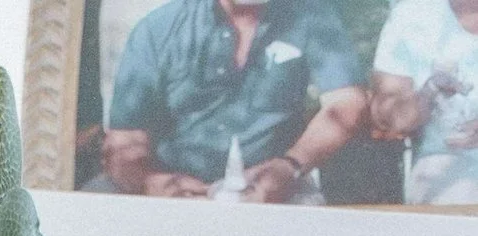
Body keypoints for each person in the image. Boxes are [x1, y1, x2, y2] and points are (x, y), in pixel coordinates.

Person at [102, 0, 369, 192]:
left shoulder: (313, 17)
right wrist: (151, 183)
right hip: (172, 195)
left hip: (280, 188)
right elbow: (124, 142)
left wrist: (291, 166)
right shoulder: (159, 28)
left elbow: (348, 103)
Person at [369, 0, 478, 198]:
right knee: (457, 190)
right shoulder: (412, 15)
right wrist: (430, 91)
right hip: (448, 161)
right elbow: (392, 119)